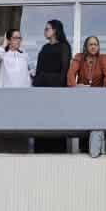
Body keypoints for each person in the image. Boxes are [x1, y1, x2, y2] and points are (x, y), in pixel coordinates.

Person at [33, 20, 72, 153]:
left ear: (55, 30)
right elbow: (38, 71)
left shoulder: (64, 47)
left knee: (56, 123)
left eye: (47, 28)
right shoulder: (44, 48)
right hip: (41, 92)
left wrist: (56, 86)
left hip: (56, 93)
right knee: (41, 122)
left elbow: (64, 71)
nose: (45, 30)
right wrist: (37, 82)